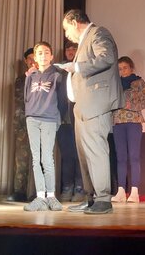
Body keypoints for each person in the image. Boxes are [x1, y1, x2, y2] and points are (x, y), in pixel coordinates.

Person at [60, 9, 123, 215]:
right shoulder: (84, 41)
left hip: (96, 103)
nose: (67, 34)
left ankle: (103, 199)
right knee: (84, 154)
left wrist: (77, 67)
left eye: (66, 29)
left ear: (74, 22)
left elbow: (106, 57)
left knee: (96, 151)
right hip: (84, 105)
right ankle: (91, 198)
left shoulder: (98, 33)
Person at [23, 41, 66, 212]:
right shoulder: (30, 76)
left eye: (46, 52)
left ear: (52, 56)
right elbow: (27, 98)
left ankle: (51, 196)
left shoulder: (57, 76)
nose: (43, 55)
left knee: (47, 158)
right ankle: (40, 197)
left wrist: (57, 118)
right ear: (35, 57)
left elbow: (62, 100)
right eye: (40, 53)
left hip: (49, 118)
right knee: (36, 158)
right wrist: (30, 114)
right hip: (32, 118)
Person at [111, 56, 145, 203]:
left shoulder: (139, 82)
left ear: (131, 68)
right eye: (120, 69)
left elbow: (143, 103)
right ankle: (120, 190)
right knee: (120, 157)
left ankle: (134, 191)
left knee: (134, 156)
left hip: (133, 122)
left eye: (125, 68)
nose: (122, 71)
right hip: (118, 122)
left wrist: (128, 106)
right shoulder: (115, 84)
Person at [56, 39, 85, 202]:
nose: (70, 51)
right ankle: (67, 187)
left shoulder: (81, 68)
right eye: (68, 49)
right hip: (63, 120)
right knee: (67, 155)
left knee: (79, 154)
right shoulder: (59, 71)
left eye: (74, 48)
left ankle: (80, 187)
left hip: (79, 118)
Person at [7, 47, 34, 202]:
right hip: (23, 124)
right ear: (25, 61)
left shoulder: (45, 77)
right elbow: (20, 102)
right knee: (21, 159)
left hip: (40, 123)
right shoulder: (20, 79)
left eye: (34, 58)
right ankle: (19, 191)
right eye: (29, 59)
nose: (32, 61)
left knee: (41, 159)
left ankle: (39, 192)